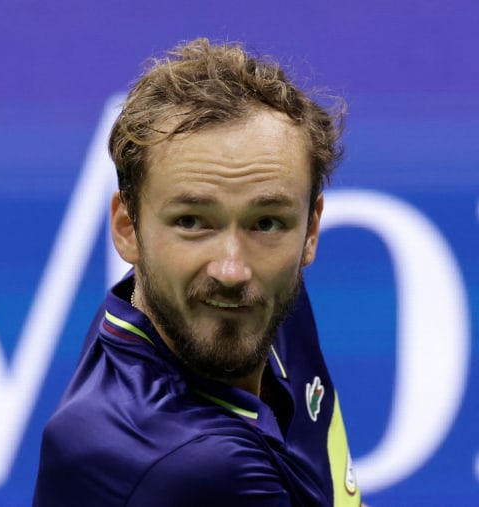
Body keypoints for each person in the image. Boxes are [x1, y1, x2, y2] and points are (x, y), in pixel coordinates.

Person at [34, 38, 362, 506]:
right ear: (128, 228)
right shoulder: (193, 466)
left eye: (265, 222)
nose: (231, 269)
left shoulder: (247, 301)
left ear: (310, 230)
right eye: (191, 222)